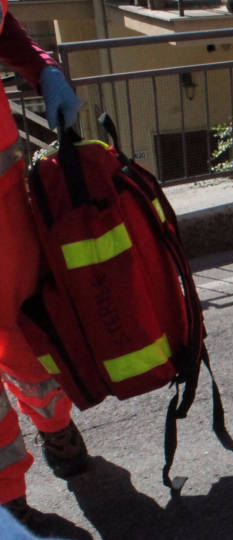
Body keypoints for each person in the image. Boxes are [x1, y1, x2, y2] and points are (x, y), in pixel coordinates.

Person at [1, 2, 89, 531]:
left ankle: (56, 426)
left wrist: (43, 68)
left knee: (26, 323)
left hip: (2, 188)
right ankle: (7, 494)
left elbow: (2, 27)